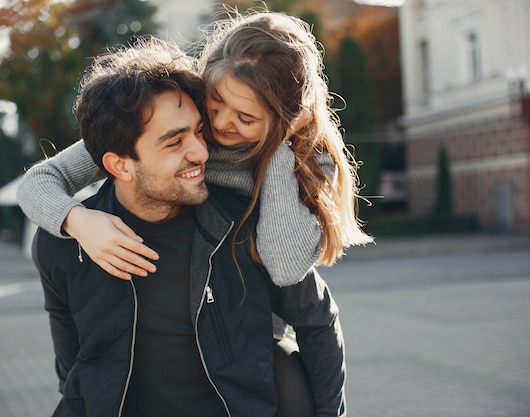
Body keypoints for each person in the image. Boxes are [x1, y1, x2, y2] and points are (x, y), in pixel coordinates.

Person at [32, 35, 346, 416]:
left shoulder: (247, 224)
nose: (203, 148)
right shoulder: (65, 242)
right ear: (118, 165)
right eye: (174, 142)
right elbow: (70, 346)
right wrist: (74, 220)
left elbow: (315, 319)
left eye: (199, 131)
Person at [17, 9, 373, 284]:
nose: (219, 124)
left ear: (286, 118)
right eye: (215, 100)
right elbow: (39, 181)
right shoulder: (177, 120)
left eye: (246, 119)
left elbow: (284, 268)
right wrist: (79, 221)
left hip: (248, 336)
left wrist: (280, 150)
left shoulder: (308, 160)